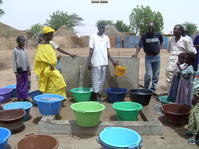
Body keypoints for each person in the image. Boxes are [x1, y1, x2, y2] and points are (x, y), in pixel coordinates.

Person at [87, 23, 118, 101]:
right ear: (98, 28)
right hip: (96, 62)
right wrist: (89, 61)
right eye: (100, 28)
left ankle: (99, 95)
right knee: (95, 80)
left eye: (103, 28)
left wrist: (112, 61)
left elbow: (107, 51)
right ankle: (96, 96)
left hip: (104, 62)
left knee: (101, 80)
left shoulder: (106, 38)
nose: (102, 29)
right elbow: (91, 50)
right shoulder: (93, 36)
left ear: (104, 29)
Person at [34, 26, 66, 98]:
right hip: (47, 69)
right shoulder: (41, 45)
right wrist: (49, 64)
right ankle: (50, 99)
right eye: (51, 34)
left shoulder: (49, 44)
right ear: (46, 35)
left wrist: (55, 58)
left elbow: (50, 55)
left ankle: (56, 98)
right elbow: (39, 57)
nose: (52, 36)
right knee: (57, 81)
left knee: (55, 84)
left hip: (52, 68)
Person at [166, 24, 197, 90]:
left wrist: (185, 59)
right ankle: (170, 95)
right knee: (169, 79)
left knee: (179, 80)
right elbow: (169, 51)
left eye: (176, 30)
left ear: (180, 31)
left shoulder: (186, 41)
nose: (174, 31)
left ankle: (178, 96)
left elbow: (193, 52)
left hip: (181, 64)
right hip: (171, 62)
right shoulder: (170, 40)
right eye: (173, 30)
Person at [134, 22, 163, 92]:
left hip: (157, 57)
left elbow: (161, 40)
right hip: (148, 58)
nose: (150, 29)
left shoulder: (158, 34)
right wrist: (135, 54)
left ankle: (153, 88)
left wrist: (160, 47)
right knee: (149, 74)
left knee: (156, 74)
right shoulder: (144, 36)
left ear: (154, 28)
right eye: (149, 27)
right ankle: (146, 88)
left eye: (152, 27)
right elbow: (139, 45)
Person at [12, 35, 31, 101]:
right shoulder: (15, 50)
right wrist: (15, 71)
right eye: (22, 40)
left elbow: (27, 60)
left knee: (26, 83)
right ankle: (20, 98)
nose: (24, 42)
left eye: (24, 40)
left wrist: (29, 69)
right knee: (20, 84)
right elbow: (14, 62)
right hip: (19, 70)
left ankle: (25, 97)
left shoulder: (24, 50)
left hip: (25, 70)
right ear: (18, 41)